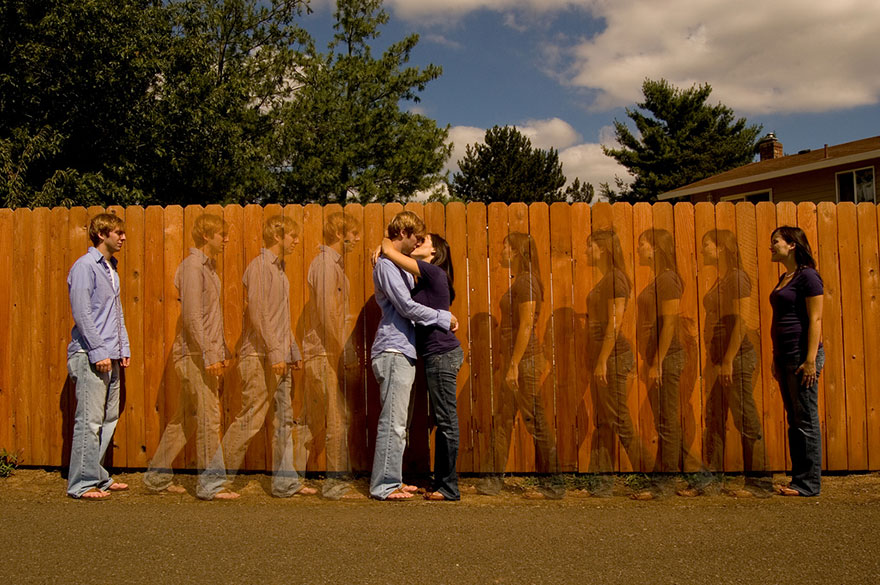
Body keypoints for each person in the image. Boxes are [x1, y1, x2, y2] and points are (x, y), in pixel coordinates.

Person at [202, 215, 316, 499]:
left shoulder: (279, 270)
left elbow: (280, 317)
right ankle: (211, 483)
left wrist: (292, 350)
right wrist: (278, 352)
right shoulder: (260, 268)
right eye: (292, 236)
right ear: (277, 236)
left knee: (284, 420)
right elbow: (259, 314)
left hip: (278, 358)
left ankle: (285, 482)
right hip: (260, 357)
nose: (296, 241)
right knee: (250, 419)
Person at [144, 214, 234, 498]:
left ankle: (156, 478)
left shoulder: (208, 268)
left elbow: (209, 318)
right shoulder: (194, 268)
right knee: (209, 417)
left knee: (184, 419)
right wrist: (209, 356)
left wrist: (222, 351)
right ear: (207, 236)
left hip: (200, 353)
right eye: (222, 234)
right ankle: (211, 485)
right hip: (194, 355)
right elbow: (193, 318)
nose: (226, 239)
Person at [370, 211, 457, 501]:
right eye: (416, 237)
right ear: (404, 232)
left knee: (399, 421)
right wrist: (442, 318)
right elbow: (406, 307)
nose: (418, 241)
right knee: (393, 421)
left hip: (405, 350)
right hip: (393, 348)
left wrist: (385, 245)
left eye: (424, 240)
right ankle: (384, 485)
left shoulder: (401, 265)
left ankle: (392, 480)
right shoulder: (387, 266)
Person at [682, 229, 769, 497]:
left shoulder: (738, 278)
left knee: (745, 417)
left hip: (738, 357)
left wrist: (729, 359)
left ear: (721, 249)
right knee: (715, 417)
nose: (703, 249)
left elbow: (742, 321)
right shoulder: (722, 279)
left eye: (706, 245)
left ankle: (759, 484)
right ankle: (712, 482)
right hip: (720, 360)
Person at [480, 232, 561, 499]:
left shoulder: (526, 282)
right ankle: (492, 481)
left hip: (525, 362)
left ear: (516, 252)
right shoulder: (521, 282)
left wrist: (514, 364)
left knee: (535, 420)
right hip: (516, 362)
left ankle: (553, 485)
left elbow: (527, 324)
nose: (501, 253)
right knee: (502, 420)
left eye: (504, 248)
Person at [65, 213, 131, 500]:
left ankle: (98, 477)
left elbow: (115, 313)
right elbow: (82, 313)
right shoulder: (84, 267)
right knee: (89, 420)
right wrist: (99, 351)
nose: (123, 237)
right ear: (102, 234)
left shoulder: (111, 268)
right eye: (118, 232)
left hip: (111, 355)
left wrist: (123, 348)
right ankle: (80, 484)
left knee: (108, 418)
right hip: (91, 354)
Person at [301, 211, 362, 499]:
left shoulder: (331, 265)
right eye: (353, 234)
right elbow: (327, 315)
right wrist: (341, 350)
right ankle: (335, 484)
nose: (357, 239)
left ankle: (287, 478)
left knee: (314, 420)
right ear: (340, 233)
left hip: (324, 351)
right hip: (324, 353)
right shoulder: (325, 265)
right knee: (338, 417)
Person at [585, 229, 643, 496]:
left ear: (604, 249)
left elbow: (615, 322)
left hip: (615, 357)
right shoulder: (606, 279)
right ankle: (601, 484)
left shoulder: (616, 279)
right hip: (605, 356)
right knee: (604, 421)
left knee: (620, 418)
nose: (587, 251)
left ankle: (653, 477)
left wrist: (603, 360)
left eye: (590, 247)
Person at [769, 226, 824, 497]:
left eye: (776, 241)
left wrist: (811, 360)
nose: (772, 246)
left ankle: (809, 485)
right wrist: (775, 357)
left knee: (806, 420)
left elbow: (815, 319)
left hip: (803, 357)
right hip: (785, 356)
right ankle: (798, 480)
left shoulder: (808, 277)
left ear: (792, 245)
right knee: (795, 420)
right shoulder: (785, 277)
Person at [632, 229, 686, 499]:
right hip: (656, 358)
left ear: (656, 248)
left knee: (667, 421)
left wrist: (658, 363)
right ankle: (663, 478)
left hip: (668, 357)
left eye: (642, 244)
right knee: (663, 420)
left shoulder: (667, 280)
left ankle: (664, 485)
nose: (639, 249)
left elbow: (670, 322)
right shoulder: (658, 279)